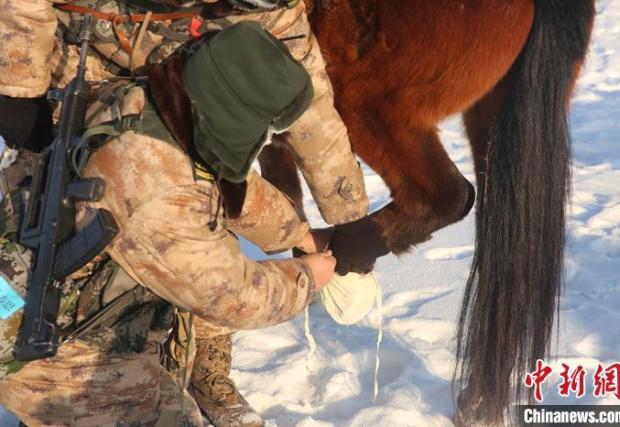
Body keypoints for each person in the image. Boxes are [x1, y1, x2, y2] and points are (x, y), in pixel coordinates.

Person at [0, 7, 370, 426]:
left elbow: (232, 192)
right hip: (55, 357)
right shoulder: (165, 195)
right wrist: (306, 276)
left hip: (61, 306)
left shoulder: (146, 107)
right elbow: (234, 298)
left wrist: (301, 235)